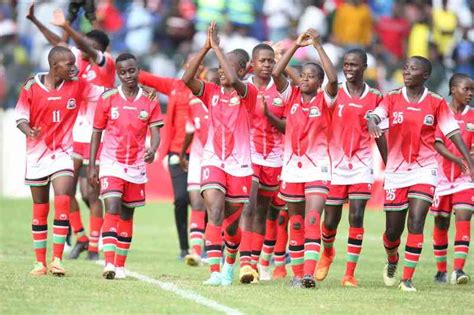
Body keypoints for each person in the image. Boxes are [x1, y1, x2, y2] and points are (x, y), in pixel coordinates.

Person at [367, 56, 474, 292]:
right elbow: (375, 115)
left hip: (425, 170)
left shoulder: (436, 102)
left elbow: (453, 133)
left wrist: (469, 162)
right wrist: (372, 121)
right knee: (392, 232)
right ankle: (392, 258)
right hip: (396, 172)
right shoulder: (392, 97)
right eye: (405, 67)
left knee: (416, 221)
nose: (406, 71)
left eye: (413, 69)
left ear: (425, 75)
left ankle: (407, 279)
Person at [28, 6, 115, 259]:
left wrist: (67, 26)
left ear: (97, 49)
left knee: (91, 192)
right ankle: (81, 236)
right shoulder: (79, 64)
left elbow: (84, 46)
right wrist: (35, 21)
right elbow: (58, 46)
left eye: (87, 45)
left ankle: (95, 246)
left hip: (99, 137)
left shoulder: (105, 64)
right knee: (65, 190)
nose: (81, 49)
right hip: (74, 134)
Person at [16, 46, 103, 276]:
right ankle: (39, 263)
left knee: (63, 198)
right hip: (36, 156)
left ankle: (56, 259)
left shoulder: (79, 85)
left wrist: (141, 90)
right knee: (40, 209)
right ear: (55, 66)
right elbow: (20, 117)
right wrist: (29, 130)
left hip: (63, 154)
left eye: (75, 62)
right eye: (69, 64)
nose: (74, 67)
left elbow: (106, 93)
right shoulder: (31, 86)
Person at [182, 22, 258, 286]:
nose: (220, 69)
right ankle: (215, 271)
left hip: (240, 166)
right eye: (220, 64)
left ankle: (229, 263)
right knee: (213, 209)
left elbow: (235, 81)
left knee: (232, 225)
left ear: (241, 70)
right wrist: (205, 48)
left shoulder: (249, 92)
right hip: (213, 160)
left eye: (227, 64)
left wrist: (217, 49)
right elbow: (186, 80)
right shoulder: (211, 92)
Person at [272, 28, 338, 288]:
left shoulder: (326, 99)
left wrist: (318, 46)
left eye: (311, 76)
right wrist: (297, 46)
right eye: (303, 75)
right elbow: (277, 73)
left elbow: (332, 78)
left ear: (319, 82)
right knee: (296, 221)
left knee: (312, 219)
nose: (305, 79)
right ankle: (297, 274)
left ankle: (309, 274)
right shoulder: (292, 96)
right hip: (291, 170)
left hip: (318, 169)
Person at [315, 48, 387, 287]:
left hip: (361, 165)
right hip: (334, 166)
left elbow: (379, 134)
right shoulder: (335, 92)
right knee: (330, 221)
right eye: (346, 64)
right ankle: (327, 252)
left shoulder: (375, 96)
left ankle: (349, 274)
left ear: (364, 67)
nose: (349, 69)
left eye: (354, 65)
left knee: (356, 216)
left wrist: (390, 164)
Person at [89, 53, 163, 280]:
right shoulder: (108, 98)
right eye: (123, 72)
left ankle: (120, 265)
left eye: (131, 71)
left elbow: (155, 131)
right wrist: (93, 165)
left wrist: (153, 148)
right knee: (111, 207)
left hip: (136, 165)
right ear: (117, 74)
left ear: (138, 70)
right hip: (111, 163)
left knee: (127, 215)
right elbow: (96, 132)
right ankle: (109, 264)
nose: (128, 75)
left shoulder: (150, 99)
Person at [238, 43, 286, 283]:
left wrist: (270, 116)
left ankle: (255, 264)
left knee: (263, 212)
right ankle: (245, 262)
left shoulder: (282, 90)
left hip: (275, 158)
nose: (267, 65)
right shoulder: (243, 89)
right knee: (249, 206)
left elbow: (288, 126)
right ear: (252, 64)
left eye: (270, 61)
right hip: (249, 155)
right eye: (262, 61)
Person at [138, 65, 196, 260]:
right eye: (188, 67)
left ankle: (204, 246)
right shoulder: (174, 86)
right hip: (175, 152)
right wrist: (145, 91)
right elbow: (139, 75)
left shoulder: (208, 88)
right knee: (181, 199)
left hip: (201, 153)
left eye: (196, 67)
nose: (190, 70)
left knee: (202, 200)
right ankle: (183, 248)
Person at [430, 73, 473, 285]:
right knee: (441, 221)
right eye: (467, 89)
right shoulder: (441, 112)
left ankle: (458, 270)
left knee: (464, 215)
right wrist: (457, 158)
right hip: (441, 176)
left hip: (465, 177)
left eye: (472, 90)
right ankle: (441, 270)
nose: (471, 94)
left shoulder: (473, 116)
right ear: (453, 89)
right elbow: (437, 143)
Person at [179, 68, 218, 266]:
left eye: (214, 82)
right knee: (196, 203)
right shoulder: (194, 102)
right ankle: (195, 251)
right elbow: (189, 129)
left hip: (218, 159)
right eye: (207, 81)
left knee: (214, 207)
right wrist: (182, 153)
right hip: (196, 157)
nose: (210, 86)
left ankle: (214, 249)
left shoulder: (224, 102)